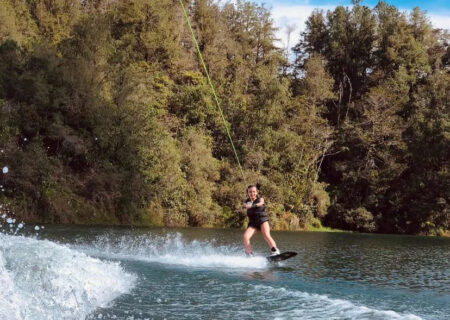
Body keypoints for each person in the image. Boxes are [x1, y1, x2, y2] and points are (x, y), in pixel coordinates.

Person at [242, 185, 280, 257]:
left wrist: (252, 206)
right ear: (248, 193)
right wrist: (245, 205)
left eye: (254, 192)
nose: (252, 193)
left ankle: (275, 251)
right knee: (245, 236)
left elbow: (260, 203)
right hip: (253, 223)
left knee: (266, 235)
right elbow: (244, 205)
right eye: (250, 192)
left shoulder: (260, 199)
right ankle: (249, 254)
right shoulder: (247, 202)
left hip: (262, 220)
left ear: (256, 192)